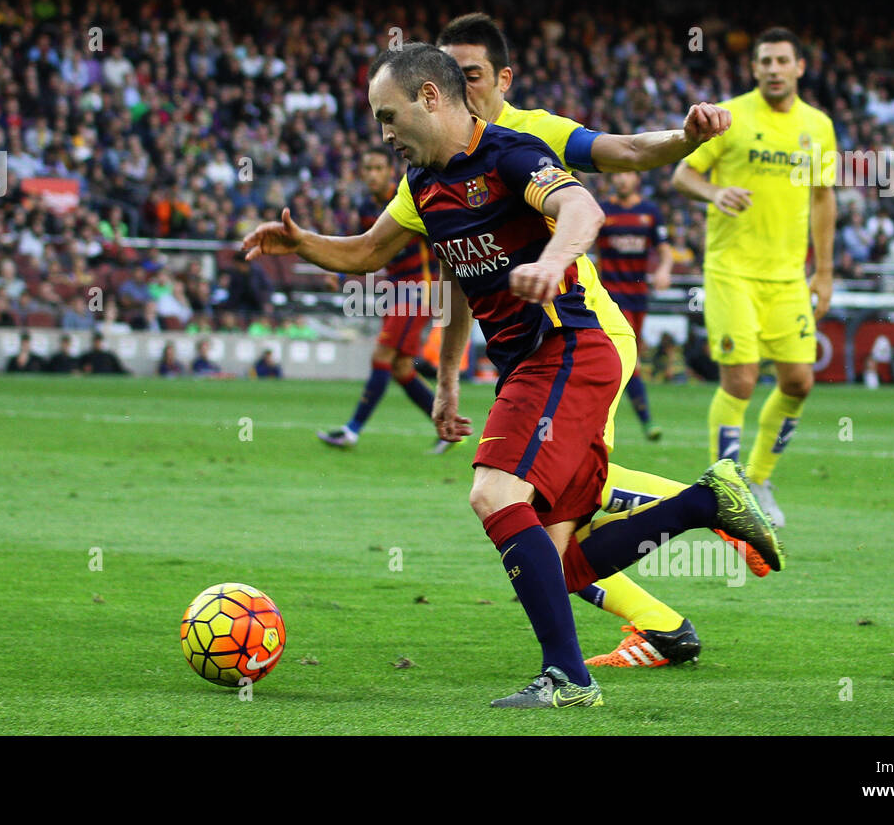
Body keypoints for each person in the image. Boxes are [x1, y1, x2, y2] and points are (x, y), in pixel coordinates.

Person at [243, 44, 783, 707]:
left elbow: (585, 208)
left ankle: (568, 677)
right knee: (557, 565)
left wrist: (554, 260)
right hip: (530, 363)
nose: (382, 132)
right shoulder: (423, 188)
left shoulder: (510, 154)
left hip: (566, 348)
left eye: (389, 115)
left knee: (494, 494)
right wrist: (304, 246)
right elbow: (367, 254)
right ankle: (705, 502)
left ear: (431, 98)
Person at [433, 12, 762, 670]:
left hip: (581, 334)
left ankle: (709, 507)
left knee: (532, 500)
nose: (457, 91)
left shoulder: (533, 133)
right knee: (546, 533)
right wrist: (446, 380)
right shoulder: (434, 160)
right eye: (446, 77)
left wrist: (687, 136)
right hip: (532, 348)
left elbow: (632, 151)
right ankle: (665, 622)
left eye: (470, 76)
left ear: (501, 78)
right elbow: (449, 274)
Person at [671, 27, 838, 527]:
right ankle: (725, 486)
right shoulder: (731, 116)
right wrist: (714, 193)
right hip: (732, 271)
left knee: (799, 381)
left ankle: (760, 479)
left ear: (799, 68)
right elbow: (682, 174)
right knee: (741, 379)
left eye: (782, 60)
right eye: (764, 60)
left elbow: (824, 197)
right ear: (755, 68)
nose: (772, 68)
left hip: (788, 277)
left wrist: (824, 271)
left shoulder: (818, 126)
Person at [317, 146, 445, 453]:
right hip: (396, 288)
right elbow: (364, 250)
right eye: (367, 169)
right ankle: (448, 428)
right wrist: (342, 276)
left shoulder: (410, 197)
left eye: (378, 168)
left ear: (391, 170)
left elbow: (440, 237)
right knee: (401, 367)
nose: (372, 174)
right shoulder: (365, 208)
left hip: (419, 289)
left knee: (382, 356)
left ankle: (351, 431)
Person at [594, 171, 674, 441]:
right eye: (616, 174)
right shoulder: (602, 210)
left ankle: (634, 420)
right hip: (611, 295)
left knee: (629, 359)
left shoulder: (649, 212)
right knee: (625, 356)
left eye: (625, 172)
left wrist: (664, 269)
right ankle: (637, 421)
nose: (621, 179)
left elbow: (664, 249)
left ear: (636, 177)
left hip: (639, 296)